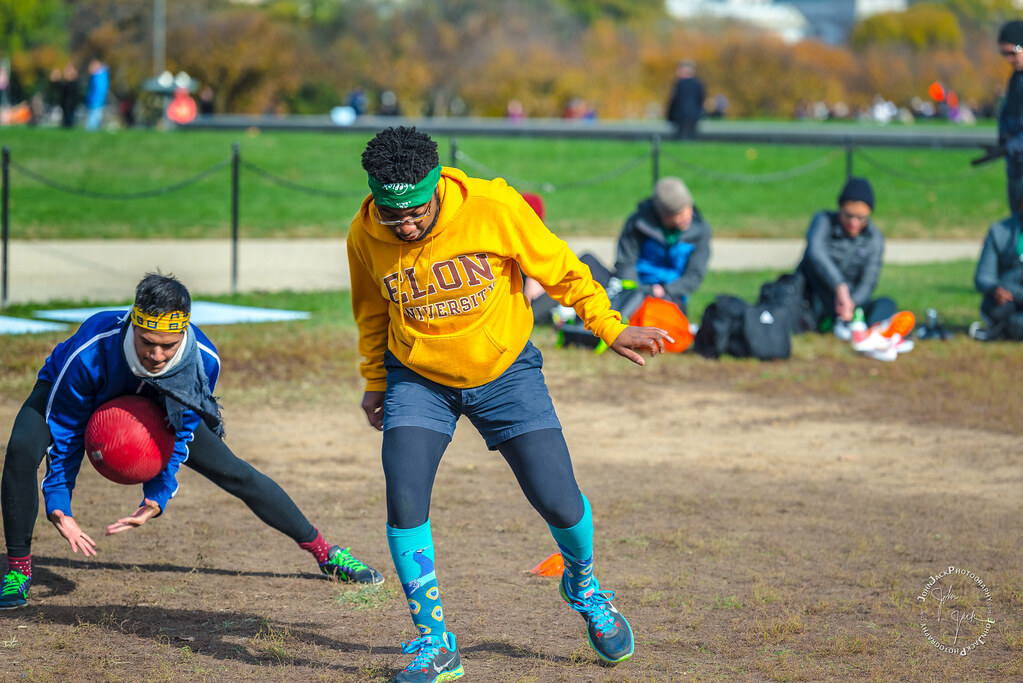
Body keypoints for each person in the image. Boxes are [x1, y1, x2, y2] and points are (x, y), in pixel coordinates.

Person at [347, 126, 672, 682]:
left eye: (417, 214)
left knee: (560, 501)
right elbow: (372, 312)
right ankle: (436, 642)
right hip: (418, 376)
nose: (404, 225)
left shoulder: (493, 204)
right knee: (404, 498)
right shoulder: (364, 233)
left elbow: (563, 267)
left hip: (505, 373)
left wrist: (609, 327)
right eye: (391, 214)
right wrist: (376, 381)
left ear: (435, 189)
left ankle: (584, 584)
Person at [0, 273, 383, 610]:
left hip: (157, 406)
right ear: (134, 322)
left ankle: (325, 552)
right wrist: (59, 506)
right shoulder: (92, 350)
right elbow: (65, 435)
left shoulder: (201, 361)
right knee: (20, 451)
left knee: (237, 474)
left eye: (168, 345)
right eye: (148, 342)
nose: (156, 354)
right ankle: (18, 570)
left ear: (183, 332)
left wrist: (156, 496)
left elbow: (180, 432)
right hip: (79, 393)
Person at [796, 177, 896, 337]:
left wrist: (850, 303)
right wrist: (839, 286)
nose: (853, 223)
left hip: (850, 301)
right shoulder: (823, 221)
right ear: (840, 208)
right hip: (816, 294)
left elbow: (869, 281)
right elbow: (816, 253)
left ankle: (874, 332)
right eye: (848, 215)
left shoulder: (874, 238)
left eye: (861, 218)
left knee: (886, 304)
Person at [614, 176, 711, 315]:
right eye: (679, 213)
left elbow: (694, 275)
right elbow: (625, 264)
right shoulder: (639, 224)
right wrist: (644, 291)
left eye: (688, 208)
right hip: (638, 291)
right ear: (663, 215)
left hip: (674, 295)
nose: (687, 216)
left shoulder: (699, 229)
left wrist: (666, 290)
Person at [972, 177, 1023, 340]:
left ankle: (1004, 330)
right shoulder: (1000, 231)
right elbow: (983, 275)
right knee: (996, 310)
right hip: (1009, 297)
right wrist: (996, 289)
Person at [998, 21, 1023, 214]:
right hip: (1016, 164)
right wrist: (1004, 138)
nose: (1008, 59)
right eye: (1004, 54)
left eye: (1012, 53)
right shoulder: (1015, 79)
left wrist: (1015, 144)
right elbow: (1007, 114)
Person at [666, 61, 705, 140]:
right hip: (694, 115)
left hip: (682, 115)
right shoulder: (698, 83)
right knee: (692, 136)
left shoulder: (680, 84)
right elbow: (701, 99)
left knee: (682, 137)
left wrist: (670, 115)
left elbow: (675, 101)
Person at [84, 58, 109, 132]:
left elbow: (99, 89)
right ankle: (93, 129)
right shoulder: (98, 76)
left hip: (96, 99)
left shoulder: (99, 76)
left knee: (94, 116)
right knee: (95, 115)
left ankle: (92, 130)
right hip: (96, 99)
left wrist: (93, 98)